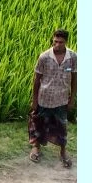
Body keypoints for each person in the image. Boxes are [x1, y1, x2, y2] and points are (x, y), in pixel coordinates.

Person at [31, 29, 76, 167]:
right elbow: (36, 80)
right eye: (55, 41)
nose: (57, 44)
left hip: (62, 98)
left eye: (60, 42)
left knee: (61, 126)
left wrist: (72, 98)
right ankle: (36, 147)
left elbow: (75, 79)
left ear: (66, 42)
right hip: (45, 97)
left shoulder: (73, 57)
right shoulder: (44, 57)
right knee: (40, 124)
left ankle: (63, 151)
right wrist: (34, 101)